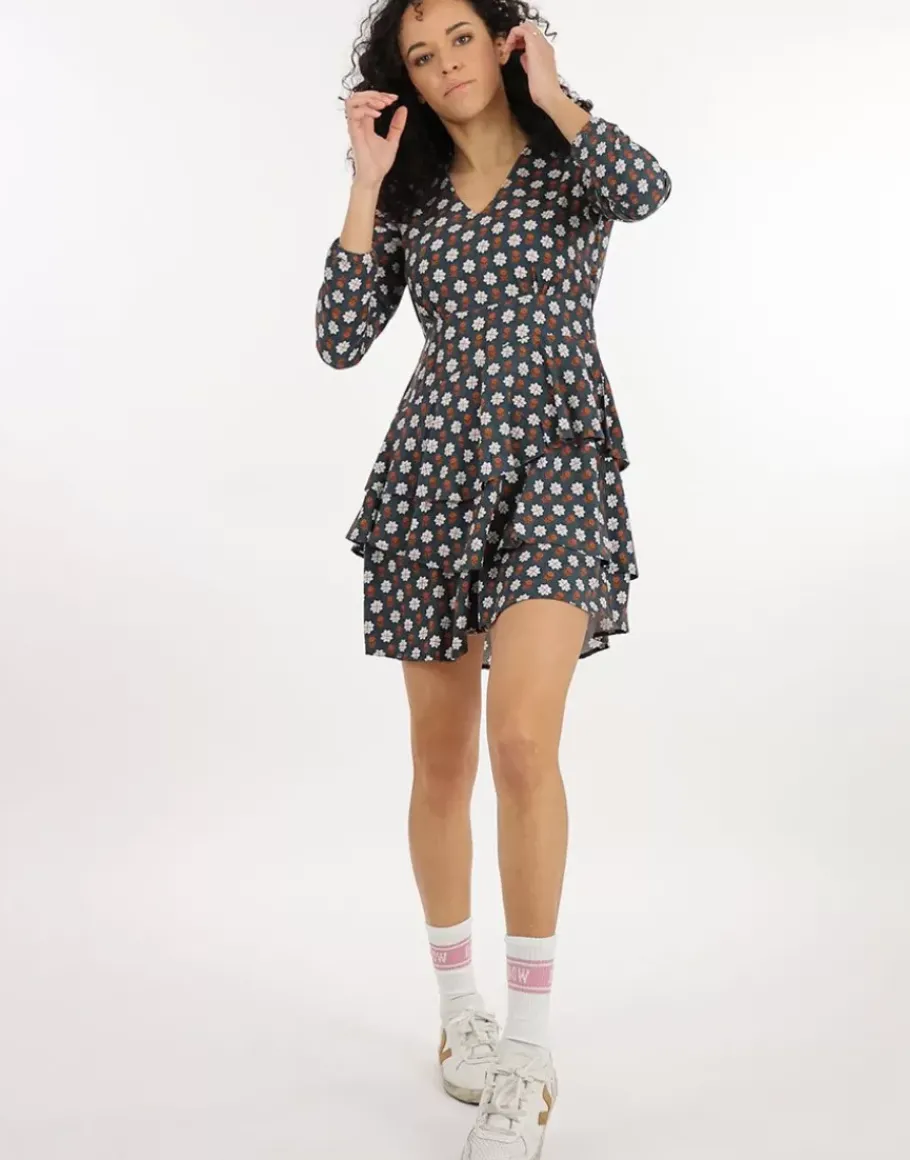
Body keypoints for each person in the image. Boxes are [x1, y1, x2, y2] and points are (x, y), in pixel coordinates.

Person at [313, 1, 670, 1155]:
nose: (444, 65)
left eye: (459, 39)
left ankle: (526, 1047)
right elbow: (339, 336)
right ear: (405, 81)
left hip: (557, 461)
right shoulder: (409, 194)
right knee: (441, 762)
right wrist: (368, 179)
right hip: (431, 475)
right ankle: (456, 1007)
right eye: (419, 56)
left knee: (521, 741)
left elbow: (648, 188)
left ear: (500, 39)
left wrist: (553, 92)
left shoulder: (569, 154)